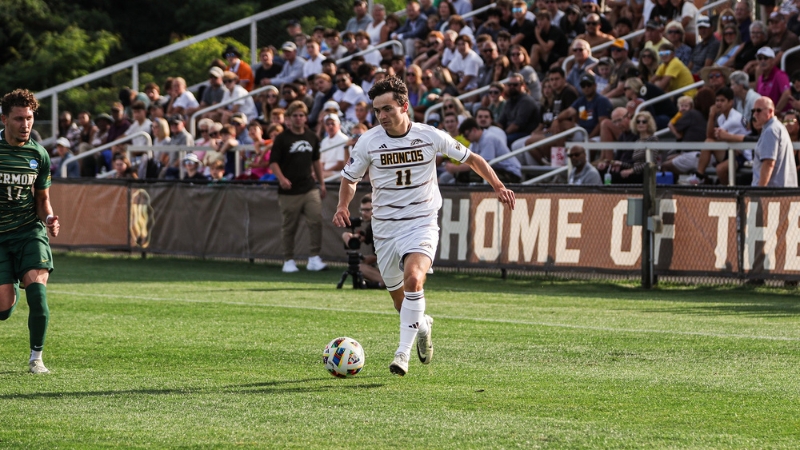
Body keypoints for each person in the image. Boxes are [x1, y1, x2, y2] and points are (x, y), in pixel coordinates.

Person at [332, 76, 515, 377]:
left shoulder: (430, 136)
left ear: (405, 106)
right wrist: (342, 205)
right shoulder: (368, 141)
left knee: (414, 279)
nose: (382, 116)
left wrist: (497, 185)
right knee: (400, 301)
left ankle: (401, 354)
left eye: (387, 109)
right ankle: (423, 324)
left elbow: (472, 159)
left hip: (421, 221)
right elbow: (350, 179)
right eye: (377, 110)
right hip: (385, 228)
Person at [0, 89, 60, 374]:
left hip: (28, 232)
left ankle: (36, 358)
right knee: (4, 310)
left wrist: (49, 218)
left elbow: (42, 200)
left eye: (30, 118)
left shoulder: (39, 154)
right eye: (19, 118)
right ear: (4, 119)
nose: (26, 124)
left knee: (38, 294)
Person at [269, 101, 328, 273]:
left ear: (305, 117)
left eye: (301, 115)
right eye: (295, 115)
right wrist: (281, 179)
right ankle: (288, 259)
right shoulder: (282, 138)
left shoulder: (311, 136)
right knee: (289, 227)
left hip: (309, 187)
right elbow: (273, 162)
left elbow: (316, 161)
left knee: (316, 220)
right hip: (289, 191)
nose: (298, 118)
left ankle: (314, 258)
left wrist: (322, 183)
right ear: (289, 118)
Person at [751, 96, 798, 187]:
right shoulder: (778, 127)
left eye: (759, 110)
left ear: (770, 111)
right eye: (753, 111)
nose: (755, 114)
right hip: (781, 192)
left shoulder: (771, 130)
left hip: (771, 193)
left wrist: (760, 191)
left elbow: (769, 163)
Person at [340, 194, 385, 288]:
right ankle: (380, 284)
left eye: (368, 210)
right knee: (358, 266)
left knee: (359, 267)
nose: (364, 213)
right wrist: (349, 237)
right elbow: (360, 238)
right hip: (383, 267)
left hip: (394, 266)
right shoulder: (371, 227)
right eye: (362, 210)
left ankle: (383, 283)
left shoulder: (384, 226)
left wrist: (373, 258)